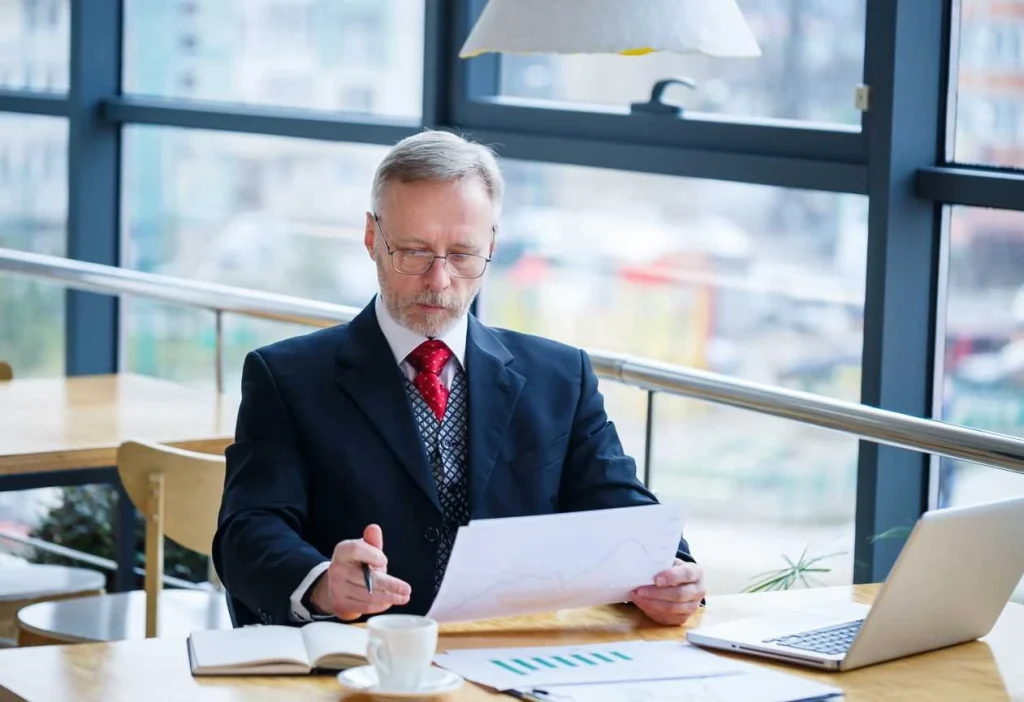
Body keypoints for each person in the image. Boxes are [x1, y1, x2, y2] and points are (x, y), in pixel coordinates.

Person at [212, 130, 705, 628]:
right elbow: (248, 530)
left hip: (515, 659)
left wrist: (675, 574)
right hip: (360, 661)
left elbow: (622, 510)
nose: (439, 280)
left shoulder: (561, 377)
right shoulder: (286, 379)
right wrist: (320, 582)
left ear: (491, 244)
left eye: (463, 254)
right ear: (371, 239)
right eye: (413, 252)